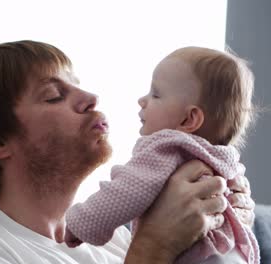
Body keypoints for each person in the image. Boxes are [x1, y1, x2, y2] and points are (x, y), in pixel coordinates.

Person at [0, 41, 255, 264]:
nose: (90, 96)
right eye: (53, 95)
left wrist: (231, 220)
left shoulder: (116, 239)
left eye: (76, 83)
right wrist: (154, 249)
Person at [65, 47, 260, 264]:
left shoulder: (166, 147)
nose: (142, 100)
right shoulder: (224, 160)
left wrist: (80, 223)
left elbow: (124, 191)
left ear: (188, 120)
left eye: (156, 94)